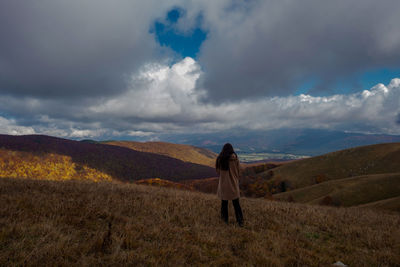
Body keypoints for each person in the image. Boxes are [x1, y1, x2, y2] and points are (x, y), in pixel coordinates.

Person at [216, 143, 244, 227]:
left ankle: (224, 221)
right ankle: (240, 222)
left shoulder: (220, 159)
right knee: (236, 204)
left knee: (224, 204)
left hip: (224, 185)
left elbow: (218, 171)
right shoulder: (235, 159)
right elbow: (239, 172)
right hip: (233, 185)